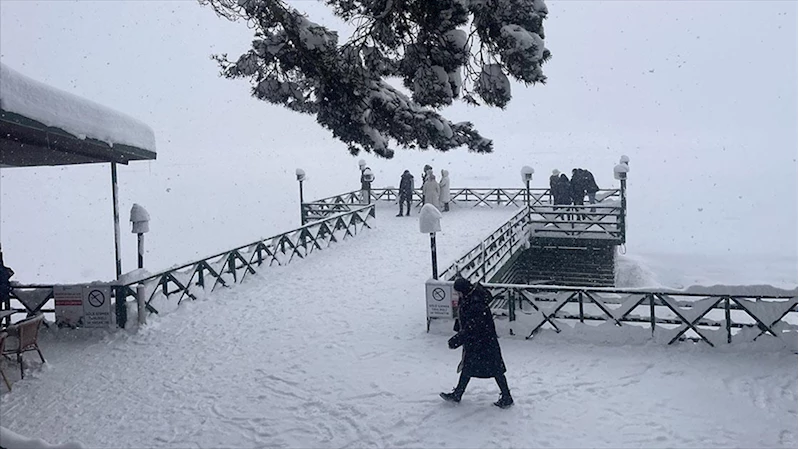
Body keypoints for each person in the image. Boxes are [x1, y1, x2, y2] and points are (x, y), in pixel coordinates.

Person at [441, 278, 513, 409]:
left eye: (458, 292)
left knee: (493, 369)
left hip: (483, 342)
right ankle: (458, 393)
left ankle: (507, 397)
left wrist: (457, 339)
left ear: (463, 291)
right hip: (481, 342)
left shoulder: (476, 303)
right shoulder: (470, 297)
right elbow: (464, 318)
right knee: (471, 368)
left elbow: (473, 326)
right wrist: (459, 328)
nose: (457, 295)